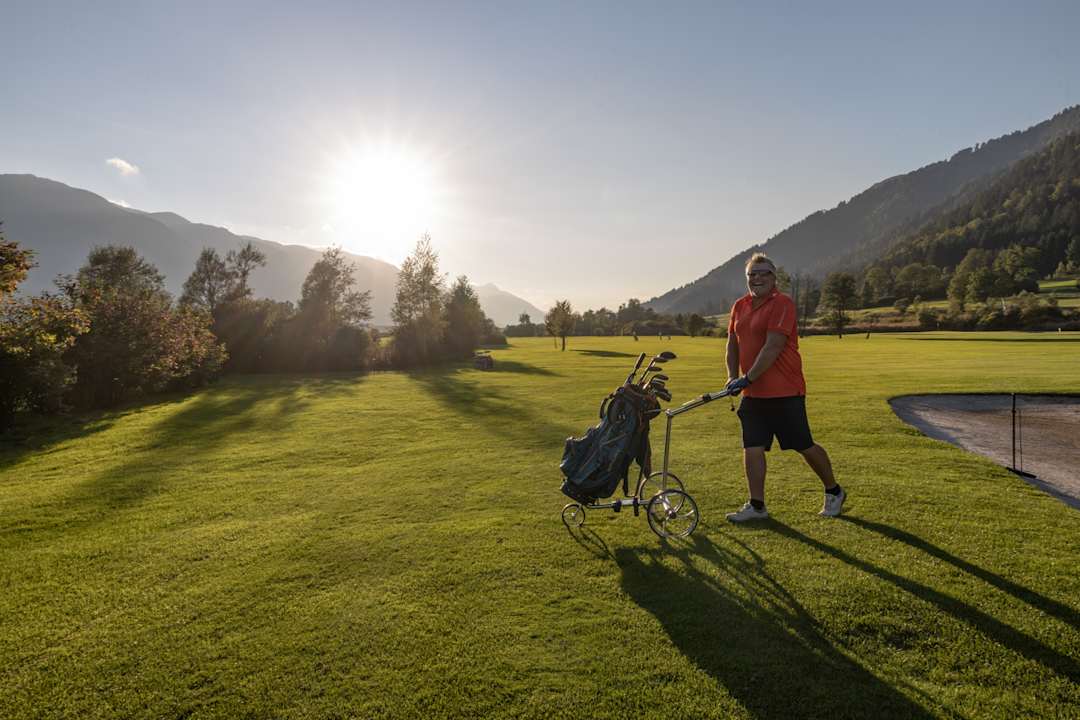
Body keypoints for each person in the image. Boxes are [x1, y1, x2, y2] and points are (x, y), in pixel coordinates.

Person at [723, 253, 845, 521]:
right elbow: (732, 344)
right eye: (752, 274)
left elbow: (773, 346)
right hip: (752, 394)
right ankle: (757, 506)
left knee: (803, 444)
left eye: (763, 273)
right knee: (752, 446)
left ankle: (834, 491)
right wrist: (732, 376)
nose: (757, 278)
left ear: (774, 277)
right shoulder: (739, 306)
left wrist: (748, 377)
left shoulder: (782, 303)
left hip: (785, 391)